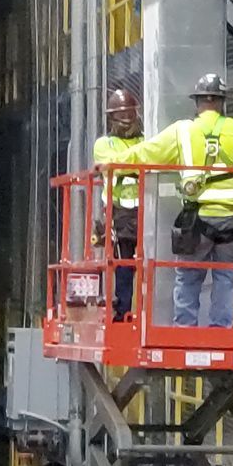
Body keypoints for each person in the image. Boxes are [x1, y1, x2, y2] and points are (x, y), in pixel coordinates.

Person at [150, 70, 233, 329]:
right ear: (222, 101)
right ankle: (220, 330)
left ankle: (185, 329)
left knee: (189, 277)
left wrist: (112, 164)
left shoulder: (183, 131)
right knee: (226, 277)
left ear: (198, 102)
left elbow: (147, 153)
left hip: (198, 220)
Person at [91, 84, 148, 321]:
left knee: (151, 261)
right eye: (121, 115)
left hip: (148, 209)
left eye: (129, 114)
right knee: (124, 264)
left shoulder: (146, 139)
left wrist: (128, 163)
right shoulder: (104, 144)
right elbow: (113, 165)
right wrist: (137, 162)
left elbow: (150, 158)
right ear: (112, 118)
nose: (126, 119)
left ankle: (147, 311)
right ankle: (123, 310)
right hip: (120, 213)